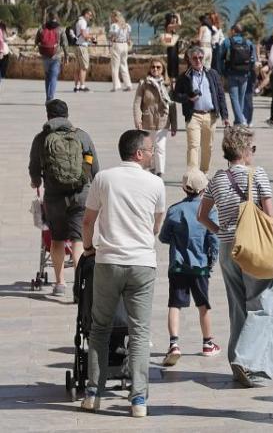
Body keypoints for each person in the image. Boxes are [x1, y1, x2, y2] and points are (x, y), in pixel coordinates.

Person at [80, 130, 166, 417]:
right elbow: (156, 225)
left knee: (100, 328)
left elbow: (88, 220)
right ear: (138, 153)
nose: (153, 154)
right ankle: (138, 399)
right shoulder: (156, 183)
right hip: (142, 263)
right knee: (139, 332)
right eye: (150, 149)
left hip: (108, 261)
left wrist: (89, 247)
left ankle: (93, 393)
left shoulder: (103, 178)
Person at [197, 126, 273, 387]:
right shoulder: (257, 174)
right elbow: (270, 217)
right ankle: (246, 360)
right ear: (244, 150)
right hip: (252, 246)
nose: (253, 153)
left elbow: (202, 215)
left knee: (238, 307)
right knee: (264, 305)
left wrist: (221, 231)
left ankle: (237, 363)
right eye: (252, 148)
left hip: (227, 247)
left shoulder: (217, 179)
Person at [28, 99, 99, 296]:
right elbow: (95, 167)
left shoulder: (41, 138)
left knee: (57, 239)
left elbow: (34, 168)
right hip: (80, 194)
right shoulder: (81, 135)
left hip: (54, 197)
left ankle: (60, 284)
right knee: (78, 240)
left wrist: (36, 182)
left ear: (48, 116)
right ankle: (79, 285)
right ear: (67, 115)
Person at [159, 168, 221, 366]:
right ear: (204, 189)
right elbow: (214, 240)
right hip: (200, 266)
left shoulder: (175, 210)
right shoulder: (209, 211)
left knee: (175, 305)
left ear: (184, 188)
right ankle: (208, 343)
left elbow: (163, 237)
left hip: (178, 265)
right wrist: (211, 261)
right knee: (203, 305)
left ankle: (174, 344)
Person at [173, 46, 230, 173]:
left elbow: (220, 95)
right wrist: (188, 98)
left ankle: (204, 172)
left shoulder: (212, 74)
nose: (198, 60)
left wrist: (225, 116)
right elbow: (175, 95)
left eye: (200, 58)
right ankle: (192, 174)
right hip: (193, 116)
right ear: (189, 59)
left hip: (210, 116)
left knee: (207, 147)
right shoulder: (184, 76)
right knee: (193, 146)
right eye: (195, 58)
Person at [133, 58, 177, 177]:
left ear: (163, 69)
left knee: (160, 148)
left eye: (158, 67)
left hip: (163, 121)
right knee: (149, 148)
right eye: (153, 67)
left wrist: (174, 124)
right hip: (148, 121)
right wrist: (137, 120)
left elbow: (172, 105)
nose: (155, 69)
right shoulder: (144, 83)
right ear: (150, 69)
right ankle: (152, 168)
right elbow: (137, 103)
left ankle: (159, 172)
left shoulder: (168, 85)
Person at [221, 24, 257, 127]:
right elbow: (253, 59)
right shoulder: (248, 42)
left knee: (234, 98)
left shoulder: (227, 42)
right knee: (241, 98)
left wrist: (223, 72)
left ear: (233, 31)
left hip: (232, 73)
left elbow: (221, 58)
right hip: (245, 74)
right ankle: (238, 121)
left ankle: (241, 119)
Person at [35, 11, 69, 102]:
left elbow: (36, 41)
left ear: (48, 17)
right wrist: (66, 56)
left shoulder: (42, 28)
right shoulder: (60, 29)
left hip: (45, 56)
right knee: (53, 77)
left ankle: (48, 97)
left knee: (47, 77)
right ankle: (50, 98)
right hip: (56, 56)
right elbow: (65, 44)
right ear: (56, 18)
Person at [108, 10, 133, 92]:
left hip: (117, 45)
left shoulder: (114, 25)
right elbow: (128, 37)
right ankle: (128, 84)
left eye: (112, 17)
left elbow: (112, 36)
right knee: (124, 65)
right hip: (125, 45)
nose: (111, 19)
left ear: (115, 17)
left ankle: (116, 85)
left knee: (115, 66)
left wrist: (110, 38)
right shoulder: (126, 25)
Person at [73, 8, 95, 92]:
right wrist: (92, 37)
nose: (90, 17)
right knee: (84, 67)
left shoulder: (78, 21)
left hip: (77, 46)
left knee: (77, 67)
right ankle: (82, 86)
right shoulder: (83, 22)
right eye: (90, 15)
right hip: (82, 46)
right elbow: (84, 35)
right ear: (85, 14)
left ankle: (76, 86)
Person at [160, 13, 181, 83]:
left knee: (174, 62)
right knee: (172, 62)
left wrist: (175, 20)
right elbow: (179, 24)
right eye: (172, 18)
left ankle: (174, 78)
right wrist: (178, 16)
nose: (174, 19)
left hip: (174, 47)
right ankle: (172, 79)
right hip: (172, 48)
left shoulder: (171, 27)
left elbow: (177, 27)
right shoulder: (169, 26)